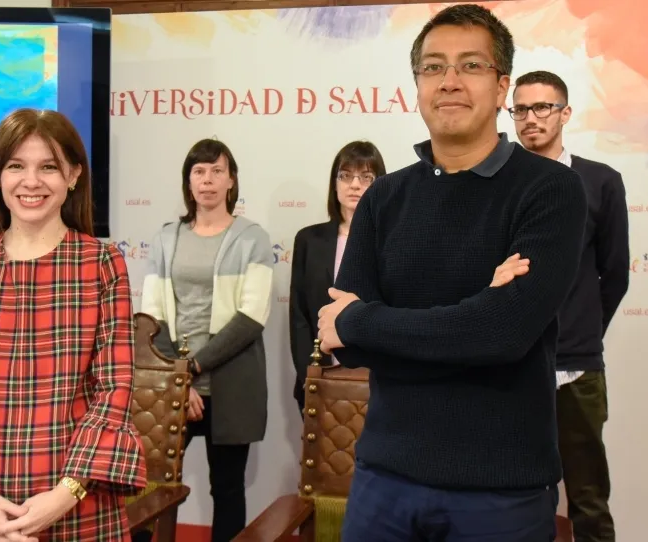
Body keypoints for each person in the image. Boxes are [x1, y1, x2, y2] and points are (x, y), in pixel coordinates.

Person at [316, 5, 588, 541]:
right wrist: (475, 314)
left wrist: (370, 322)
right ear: (417, 84)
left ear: (501, 84)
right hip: (383, 478)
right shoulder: (385, 198)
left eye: (470, 65)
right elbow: (344, 344)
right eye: (433, 67)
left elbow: (502, 335)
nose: (450, 82)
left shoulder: (550, 190)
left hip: (499, 490)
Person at [0, 108, 147, 542]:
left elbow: (113, 388)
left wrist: (65, 493)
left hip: (79, 499)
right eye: (16, 166)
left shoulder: (102, 262)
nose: (31, 181)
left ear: (73, 175)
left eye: (49, 167)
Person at [512, 70, 629, 542]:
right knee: (516, 492)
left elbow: (614, 274)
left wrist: (580, 328)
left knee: (587, 494)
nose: (531, 118)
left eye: (542, 107)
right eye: (521, 109)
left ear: (565, 113)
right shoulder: (496, 181)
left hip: (577, 368)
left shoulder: (600, 182)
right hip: (510, 364)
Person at [139, 138, 273, 542]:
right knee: (153, 485)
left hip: (230, 384)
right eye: (199, 171)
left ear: (231, 180)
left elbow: (251, 317)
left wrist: (193, 369)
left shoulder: (253, 238)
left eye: (217, 171)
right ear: (188, 181)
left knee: (228, 489)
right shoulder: (166, 237)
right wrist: (178, 377)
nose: (208, 180)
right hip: (171, 384)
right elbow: (150, 316)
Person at [289, 141, 386, 413]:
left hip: (376, 381)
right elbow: (299, 316)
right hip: (318, 375)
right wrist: (309, 373)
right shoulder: (309, 239)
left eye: (366, 177)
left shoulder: (391, 241)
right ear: (334, 184)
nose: (355, 184)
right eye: (346, 176)